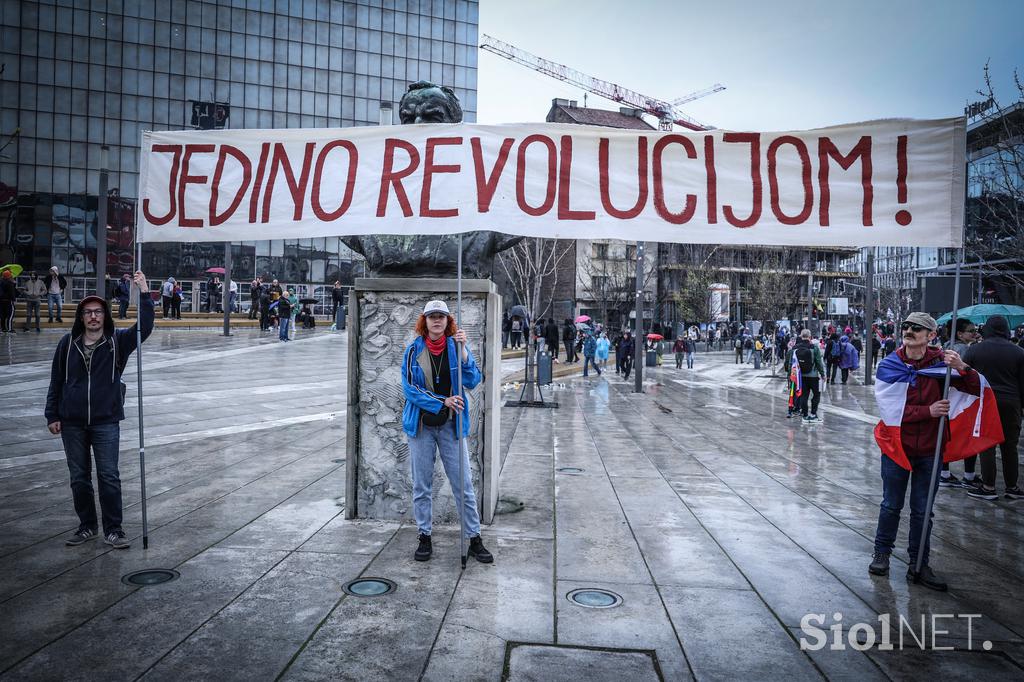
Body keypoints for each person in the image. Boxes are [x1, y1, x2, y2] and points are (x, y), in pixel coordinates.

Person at [868, 312, 980, 591]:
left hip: (931, 449)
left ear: (931, 336)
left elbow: (975, 389)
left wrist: (962, 367)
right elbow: (889, 411)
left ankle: (919, 563)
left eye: (916, 328)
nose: (908, 330)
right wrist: (926, 411)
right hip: (897, 447)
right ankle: (881, 554)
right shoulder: (890, 364)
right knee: (890, 505)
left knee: (922, 511)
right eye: (905, 326)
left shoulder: (943, 364)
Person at [45, 271, 155, 549]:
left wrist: (144, 293)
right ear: (81, 317)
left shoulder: (117, 341)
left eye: (98, 312)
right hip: (72, 422)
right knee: (79, 477)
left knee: (108, 475)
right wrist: (52, 414)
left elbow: (145, 326)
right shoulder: (66, 344)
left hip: (106, 421)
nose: (93, 316)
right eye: (88, 312)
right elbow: (56, 380)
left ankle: (114, 529)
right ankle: (87, 526)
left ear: (104, 316)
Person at [401, 300, 492, 564]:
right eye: (432, 317)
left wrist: (465, 356)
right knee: (422, 485)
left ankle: (474, 538)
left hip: (452, 425)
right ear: (425, 321)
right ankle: (424, 535)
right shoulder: (413, 351)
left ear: (448, 321)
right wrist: (442, 401)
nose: (437, 321)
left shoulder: (457, 346)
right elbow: (409, 389)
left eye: (441, 316)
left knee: (463, 484)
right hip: (421, 426)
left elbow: (473, 380)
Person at [964, 315, 1024, 501]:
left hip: (986, 402)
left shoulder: (975, 350)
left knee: (987, 444)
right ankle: (1012, 487)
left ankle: (989, 486)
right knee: (1010, 446)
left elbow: (966, 377)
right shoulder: (1019, 352)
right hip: (1012, 402)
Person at [939, 319, 980, 489]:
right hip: (963, 397)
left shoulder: (946, 347)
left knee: (947, 435)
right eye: (971, 330)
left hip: (949, 395)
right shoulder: (964, 350)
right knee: (968, 435)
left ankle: (945, 473)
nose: (975, 333)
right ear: (960, 334)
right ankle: (969, 475)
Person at [786, 329, 825, 422]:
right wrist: (823, 374)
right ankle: (813, 414)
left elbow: (791, 363)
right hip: (813, 376)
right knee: (816, 395)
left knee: (804, 395)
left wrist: (789, 376)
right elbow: (818, 362)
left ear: (801, 336)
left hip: (800, 377)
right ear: (810, 336)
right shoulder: (814, 347)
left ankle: (805, 415)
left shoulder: (795, 348)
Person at [0, 268, 16, 334]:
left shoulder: (0, 282)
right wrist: (13, 299)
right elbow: (11, 292)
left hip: (1, 301)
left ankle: (3, 328)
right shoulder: (10, 283)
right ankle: (10, 329)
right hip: (8, 301)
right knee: (10, 315)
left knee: (2, 316)